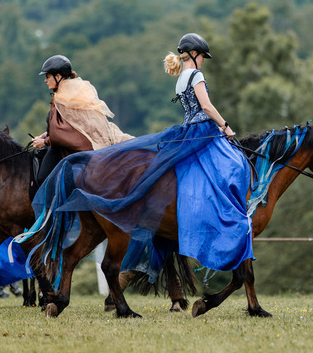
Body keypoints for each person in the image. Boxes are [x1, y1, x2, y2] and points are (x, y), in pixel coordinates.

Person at [22, 33, 253, 276]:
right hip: (202, 131)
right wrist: (225, 126)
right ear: (194, 55)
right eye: (202, 57)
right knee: (232, 167)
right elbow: (205, 106)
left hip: (186, 131)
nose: (203, 61)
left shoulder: (181, 78)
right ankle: (228, 216)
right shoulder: (196, 75)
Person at [29, 54, 132, 199]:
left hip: (65, 148)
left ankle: (57, 216)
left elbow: (68, 132)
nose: (45, 80)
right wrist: (45, 135)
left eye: (47, 76)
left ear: (58, 76)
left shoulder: (63, 96)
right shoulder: (72, 90)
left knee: (42, 178)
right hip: (61, 143)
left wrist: (45, 142)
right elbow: (67, 125)